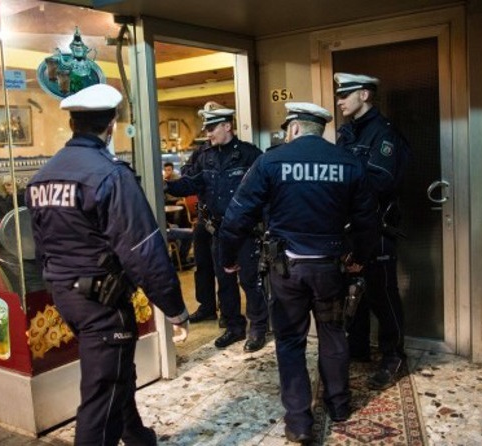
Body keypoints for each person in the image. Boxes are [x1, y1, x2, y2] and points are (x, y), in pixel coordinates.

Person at [25, 83, 189, 446]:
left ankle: (137, 437)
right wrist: (174, 308)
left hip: (66, 296)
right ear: (111, 124)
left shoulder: (42, 177)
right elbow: (143, 249)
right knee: (103, 394)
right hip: (102, 300)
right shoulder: (110, 175)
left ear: (72, 125)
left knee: (115, 372)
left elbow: (41, 244)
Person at [219, 102, 378, 443]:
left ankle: (299, 422)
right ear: (320, 129)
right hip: (330, 268)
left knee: (290, 341)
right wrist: (359, 259)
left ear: (293, 128)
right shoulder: (348, 162)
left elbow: (237, 217)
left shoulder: (271, 161)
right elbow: (367, 222)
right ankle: (339, 406)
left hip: (286, 269)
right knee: (333, 334)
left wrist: (229, 257)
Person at [165, 100, 268, 352]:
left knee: (250, 280)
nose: (207, 133)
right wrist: (166, 186)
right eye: (206, 128)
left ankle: (258, 328)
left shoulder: (249, 154)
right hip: (218, 231)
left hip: (244, 230)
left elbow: (266, 190)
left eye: (212, 128)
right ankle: (233, 326)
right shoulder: (205, 157)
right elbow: (191, 183)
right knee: (225, 280)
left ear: (227, 126)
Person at [334, 73, 410, 390]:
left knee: (381, 293)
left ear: (364, 95)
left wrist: (344, 181)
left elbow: (380, 182)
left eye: (345, 95)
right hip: (349, 226)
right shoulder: (347, 133)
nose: (339, 100)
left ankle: (394, 356)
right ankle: (359, 348)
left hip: (376, 226)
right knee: (354, 290)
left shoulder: (385, 134)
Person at [180, 148, 222, 328]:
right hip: (204, 217)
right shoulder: (201, 152)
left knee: (224, 267)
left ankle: (229, 311)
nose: (210, 133)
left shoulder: (233, 151)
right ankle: (207, 307)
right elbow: (186, 175)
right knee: (202, 264)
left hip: (224, 218)